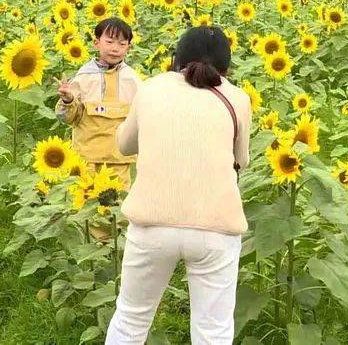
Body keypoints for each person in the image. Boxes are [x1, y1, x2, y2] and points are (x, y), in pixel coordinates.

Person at [106, 26, 252, 344]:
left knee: (131, 318)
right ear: (226, 67)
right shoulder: (237, 98)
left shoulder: (151, 89)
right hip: (216, 227)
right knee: (213, 331)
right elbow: (242, 159)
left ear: (176, 59)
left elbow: (124, 144)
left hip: (152, 223)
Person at [57, 18, 141, 239]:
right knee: (86, 209)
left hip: (119, 160)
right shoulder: (84, 77)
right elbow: (68, 117)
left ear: (129, 47)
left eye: (122, 44)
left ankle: (113, 255)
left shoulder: (133, 80)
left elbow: (141, 117)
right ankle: (88, 255)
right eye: (110, 41)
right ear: (97, 42)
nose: (115, 48)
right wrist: (67, 100)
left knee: (117, 212)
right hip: (87, 159)